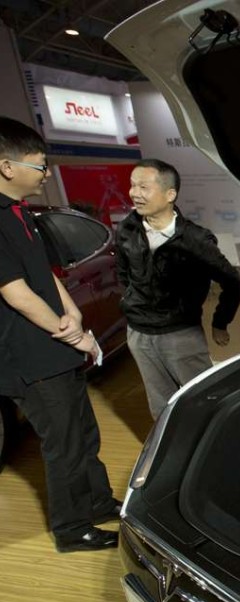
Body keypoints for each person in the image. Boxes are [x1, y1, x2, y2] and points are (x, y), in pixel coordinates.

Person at [0, 117, 119, 552]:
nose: (46, 173)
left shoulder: (22, 214)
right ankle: (73, 529)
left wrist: (77, 323)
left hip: (55, 347)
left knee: (84, 434)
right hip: (30, 356)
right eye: (39, 165)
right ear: (7, 166)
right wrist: (68, 334)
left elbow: (45, 279)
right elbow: (16, 293)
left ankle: (100, 503)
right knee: (63, 446)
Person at [117, 159, 240, 420]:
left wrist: (220, 322)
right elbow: (123, 274)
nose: (134, 193)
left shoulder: (195, 239)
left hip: (180, 334)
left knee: (200, 403)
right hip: (139, 334)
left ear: (169, 194)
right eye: (132, 185)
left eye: (143, 186)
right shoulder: (126, 229)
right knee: (160, 408)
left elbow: (232, 282)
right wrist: (131, 301)